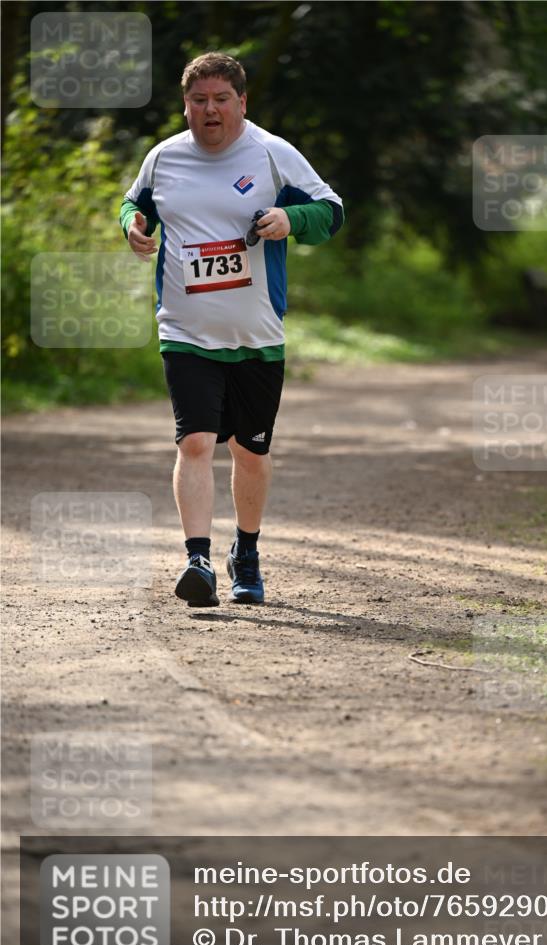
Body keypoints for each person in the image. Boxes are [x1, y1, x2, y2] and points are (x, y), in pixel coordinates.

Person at [119, 52, 344, 607]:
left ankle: (246, 550)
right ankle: (197, 560)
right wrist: (132, 226)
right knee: (195, 441)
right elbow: (133, 204)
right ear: (185, 105)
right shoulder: (164, 157)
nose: (210, 109)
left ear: (242, 102)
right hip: (185, 330)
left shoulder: (272, 154)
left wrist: (291, 218)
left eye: (221, 99)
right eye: (199, 100)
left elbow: (331, 211)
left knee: (250, 452)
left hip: (256, 337)